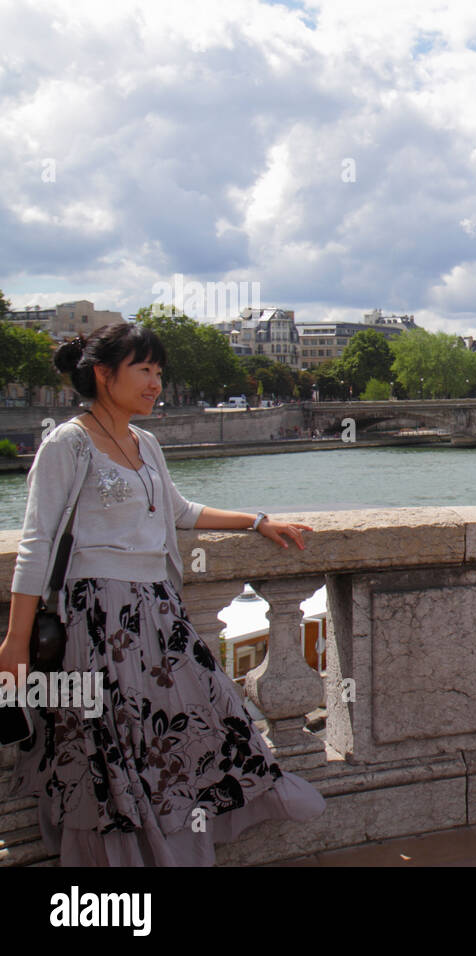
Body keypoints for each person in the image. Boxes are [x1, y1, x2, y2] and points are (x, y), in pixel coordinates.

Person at [0, 323, 327, 866]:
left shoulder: (143, 441)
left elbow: (178, 512)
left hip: (158, 613)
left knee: (183, 733)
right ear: (104, 375)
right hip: (96, 620)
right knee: (111, 749)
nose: (155, 383)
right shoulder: (68, 443)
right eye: (144, 370)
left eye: (158, 372)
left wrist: (257, 520)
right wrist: (14, 643)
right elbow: (37, 544)